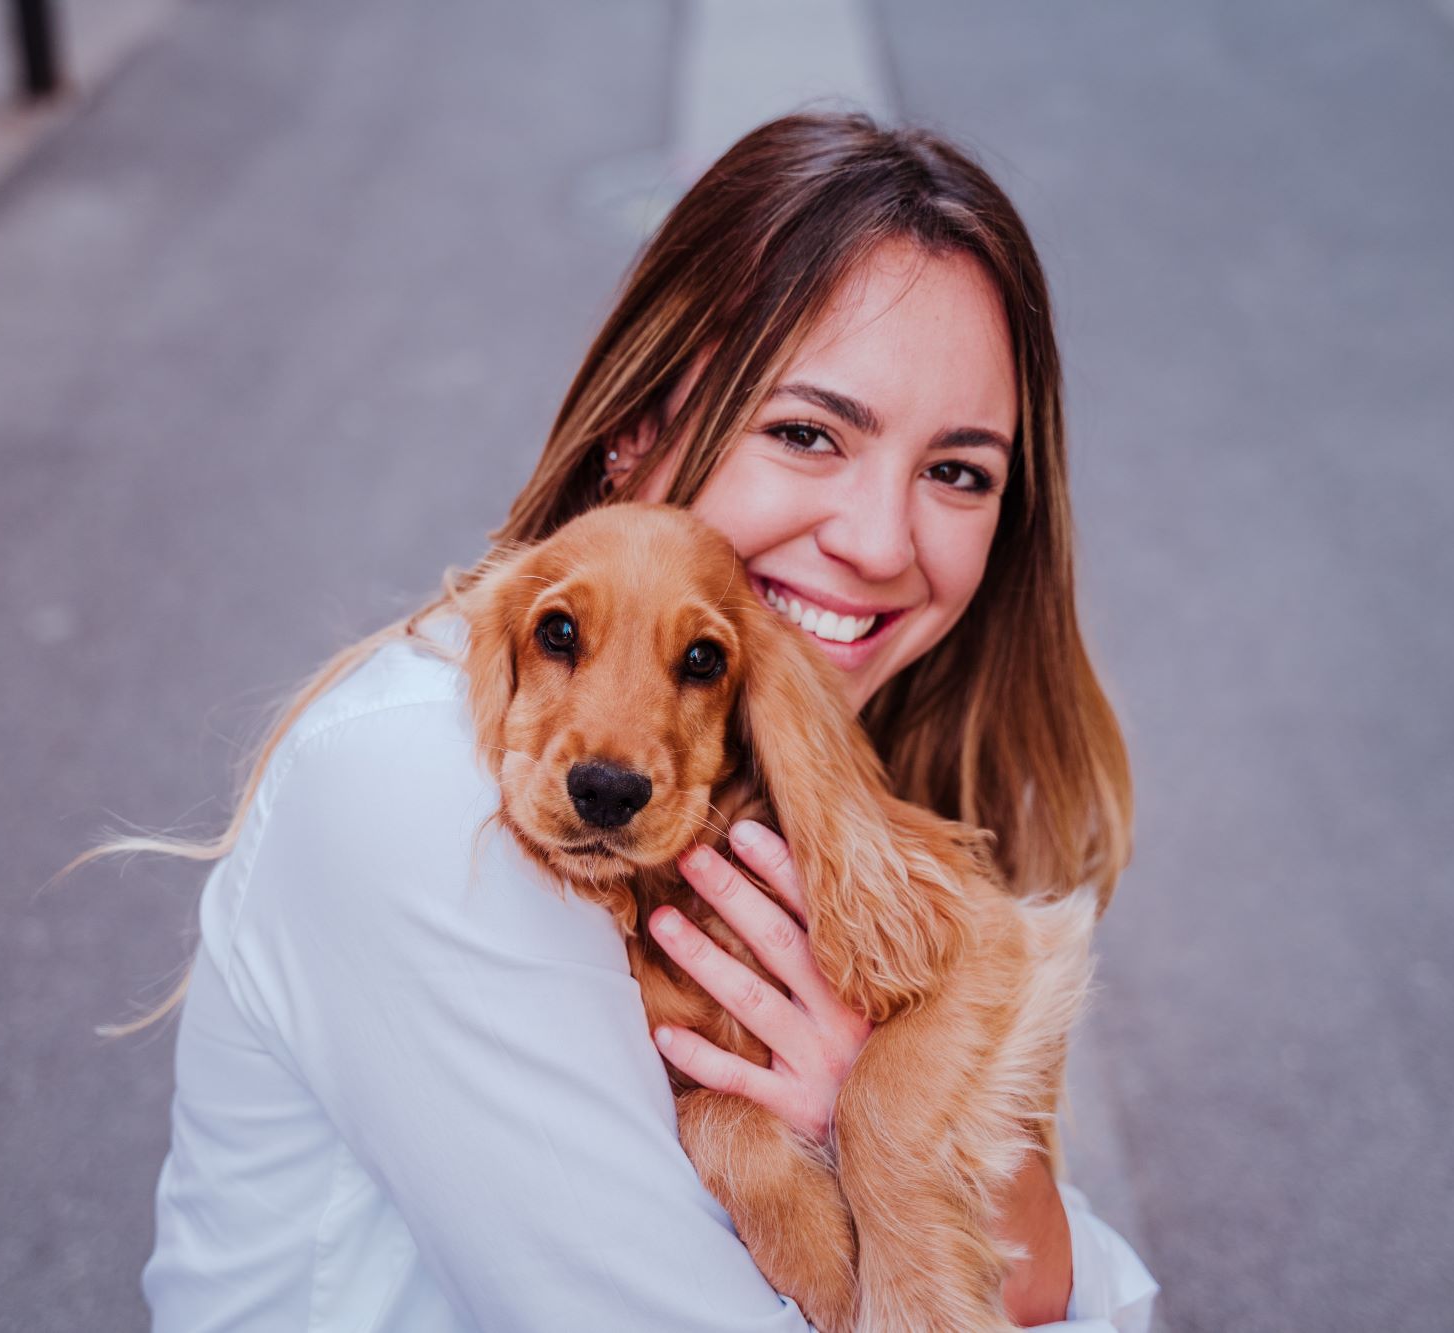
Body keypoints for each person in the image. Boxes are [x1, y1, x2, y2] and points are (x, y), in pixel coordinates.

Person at [124, 111, 1158, 1330]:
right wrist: (905, 1169)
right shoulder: (427, 789)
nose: (881, 543)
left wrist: (902, 1131)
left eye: (957, 471)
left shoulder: (777, 785)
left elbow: (1069, 1280)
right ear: (635, 430)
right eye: (803, 431)